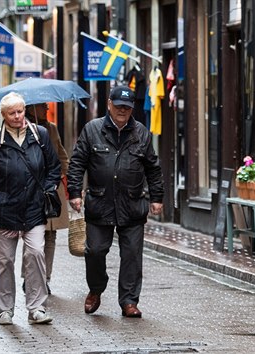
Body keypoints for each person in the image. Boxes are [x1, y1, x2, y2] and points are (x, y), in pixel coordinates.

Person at [67, 85, 164, 318]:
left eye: (127, 108)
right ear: (109, 104)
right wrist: (74, 192)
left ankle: (129, 301)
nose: (122, 111)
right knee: (95, 251)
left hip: (132, 203)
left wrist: (157, 197)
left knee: (131, 255)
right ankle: (96, 289)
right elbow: (77, 162)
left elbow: (153, 167)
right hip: (100, 201)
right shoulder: (92, 130)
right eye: (119, 106)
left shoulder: (141, 132)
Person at [0, 92, 61, 326]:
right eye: (12, 113)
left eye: (20, 111)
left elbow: (54, 167)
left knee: (35, 254)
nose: (17, 116)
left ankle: (36, 308)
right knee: (4, 262)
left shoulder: (39, 134)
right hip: (4, 212)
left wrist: (48, 189)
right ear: (3, 115)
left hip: (34, 210)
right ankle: (5, 309)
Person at [21, 103, 69, 295]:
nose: (46, 109)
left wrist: (62, 176)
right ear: (32, 108)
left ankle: (45, 278)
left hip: (51, 190)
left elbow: (62, 156)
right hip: (30, 191)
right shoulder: (20, 129)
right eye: (42, 106)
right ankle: (28, 277)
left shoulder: (51, 128)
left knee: (50, 236)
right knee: (32, 236)